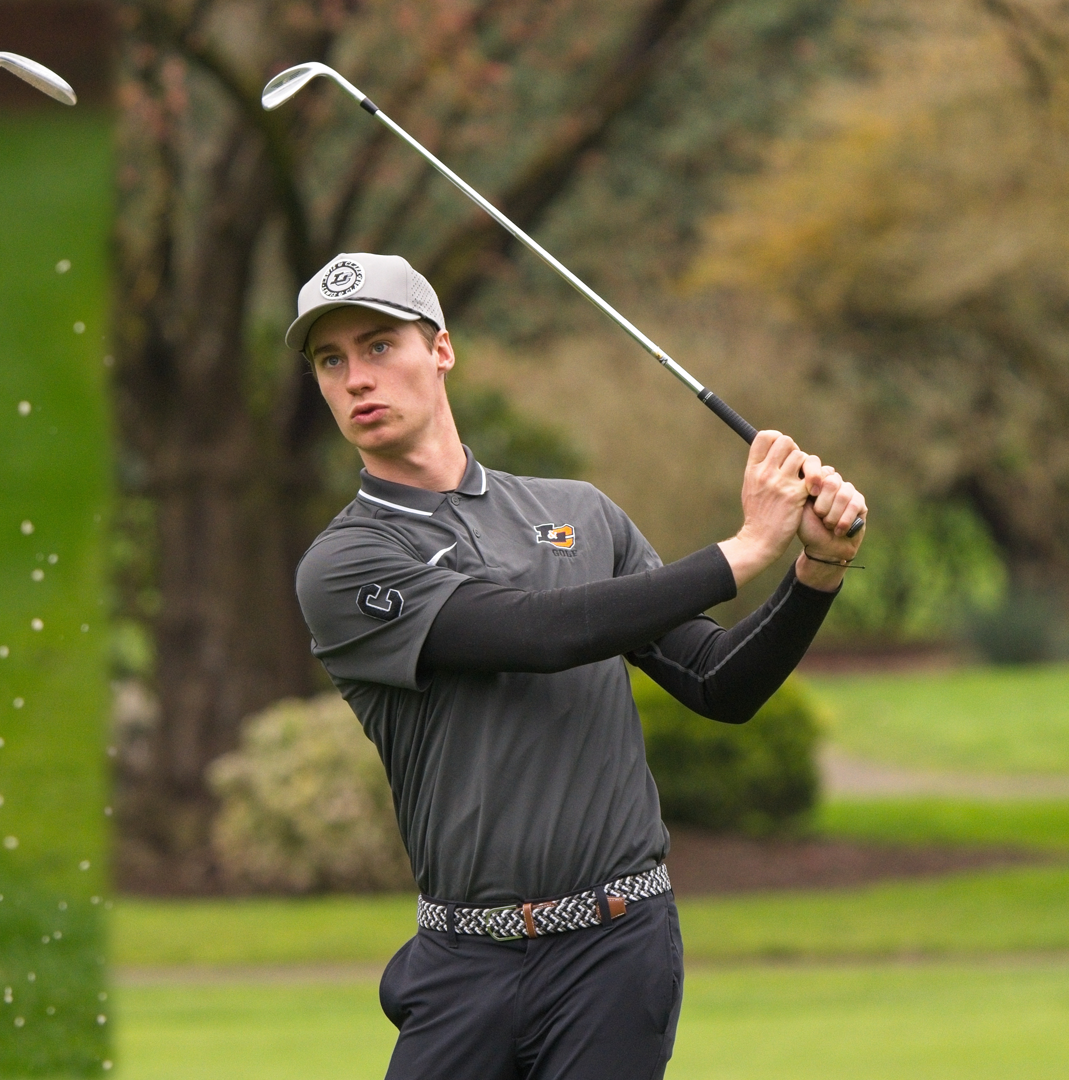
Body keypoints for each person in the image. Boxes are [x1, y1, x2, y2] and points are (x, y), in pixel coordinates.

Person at [289, 254, 866, 1080]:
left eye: (379, 346)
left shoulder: (578, 513)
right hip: (463, 961)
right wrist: (742, 552)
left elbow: (718, 683)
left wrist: (815, 574)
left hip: (617, 951)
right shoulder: (346, 562)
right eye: (330, 360)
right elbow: (533, 635)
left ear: (441, 350)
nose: (356, 379)